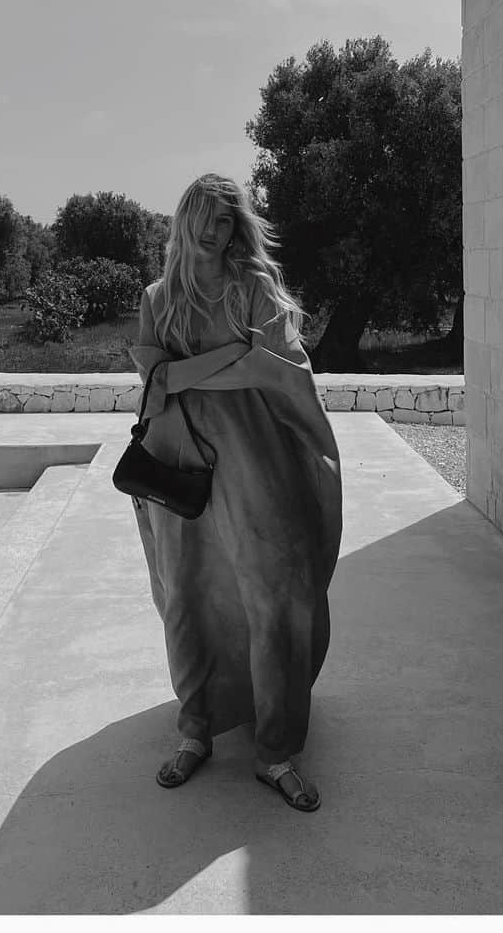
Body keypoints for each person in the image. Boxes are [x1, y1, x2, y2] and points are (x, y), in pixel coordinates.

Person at [128, 173, 343, 813]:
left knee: (275, 596)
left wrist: (184, 373)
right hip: (179, 467)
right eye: (206, 215)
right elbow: (155, 381)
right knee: (186, 598)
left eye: (227, 220)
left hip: (258, 470)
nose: (215, 230)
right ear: (185, 217)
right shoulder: (158, 298)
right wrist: (227, 364)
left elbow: (278, 372)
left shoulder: (254, 290)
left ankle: (276, 750)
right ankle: (195, 732)